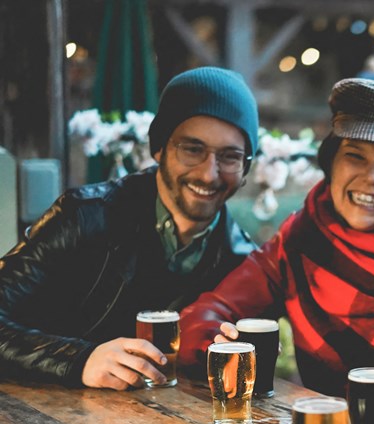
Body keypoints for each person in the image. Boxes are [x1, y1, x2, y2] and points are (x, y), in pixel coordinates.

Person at [179, 78, 374, 424]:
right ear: (331, 164)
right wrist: (215, 343)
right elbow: (215, 309)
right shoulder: (301, 239)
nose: (372, 177)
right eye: (354, 157)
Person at [0, 67, 258, 390]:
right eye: (192, 149)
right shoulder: (84, 218)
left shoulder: (243, 261)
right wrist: (79, 359)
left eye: (230, 156)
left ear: (246, 168)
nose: (209, 174)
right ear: (159, 149)